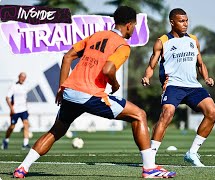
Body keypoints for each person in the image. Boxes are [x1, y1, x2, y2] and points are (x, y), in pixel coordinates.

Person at [13, 6, 176, 179]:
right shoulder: (123, 45)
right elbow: (108, 70)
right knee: (139, 115)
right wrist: (115, 83)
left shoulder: (96, 36)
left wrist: (62, 87)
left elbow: (67, 56)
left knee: (55, 132)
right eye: (134, 26)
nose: (134, 29)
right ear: (129, 25)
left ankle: (22, 168)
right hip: (90, 94)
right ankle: (150, 168)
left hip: (70, 93)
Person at [141, 8, 215, 167]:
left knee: (212, 112)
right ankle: (150, 158)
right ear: (172, 22)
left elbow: (200, 63)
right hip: (173, 85)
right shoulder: (162, 41)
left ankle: (192, 153)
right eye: (181, 21)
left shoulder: (193, 40)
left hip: (193, 86)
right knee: (167, 114)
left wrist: (206, 77)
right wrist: (147, 76)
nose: (185, 24)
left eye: (187, 20)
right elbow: (152, 64)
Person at [1, 72, 31, 150]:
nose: (23, 79)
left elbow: (25, 99)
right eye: (22, 77)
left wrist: (27, 109)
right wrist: (11, 109)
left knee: (26, 124)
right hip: (15, 110)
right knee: (12, 126)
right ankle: (6, 140)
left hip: (23, 110)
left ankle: (25, 143)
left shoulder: (25, 87)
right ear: (19, 77)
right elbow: (7, 98)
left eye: (24, 78)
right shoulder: (13, 86)